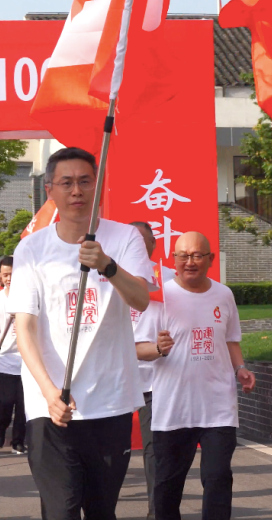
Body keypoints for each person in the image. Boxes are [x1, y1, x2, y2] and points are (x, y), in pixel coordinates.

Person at [10, 147, 152, 520]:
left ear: (98, 186)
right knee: (62, 510)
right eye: (67, 182)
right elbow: (25, 327)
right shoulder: (31, 249)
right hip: (50, 405)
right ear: (50, 190)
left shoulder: (125, 238)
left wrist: (106, 265)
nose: (77, 191)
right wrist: (48, 392)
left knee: (102, 510)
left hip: (110, 400)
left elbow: (141, 299)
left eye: (85, 181)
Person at [135, 232, 256, 520]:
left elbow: (231, 340)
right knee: (168, 485)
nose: (190, 262)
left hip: (218, 407)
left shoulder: (223, 295)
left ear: (210, 259)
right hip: (174, 408)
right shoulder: (160, 298)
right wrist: (158, 348)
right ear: (174, 259)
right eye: (183, 256)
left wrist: (240, 368)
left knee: (218, 478)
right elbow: (138, 348)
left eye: (197, 255)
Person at [128, 221, 159, 520]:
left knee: (154, 449)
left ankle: (156, 510)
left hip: (154, 381)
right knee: (109, 450)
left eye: (142, 240)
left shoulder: (167, 280)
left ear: (153, 245)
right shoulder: (105, 278)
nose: (136, 245)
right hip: (115, 380)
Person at [0, 256, 25, 454]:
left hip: (27, 360)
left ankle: (18, 441)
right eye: (5, 274)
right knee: (7, 401)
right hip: (4, 359)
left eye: (13, 274)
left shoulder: (30, 297)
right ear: (0, 276)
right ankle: (1, 428)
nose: (9, 278)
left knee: (23, 404)